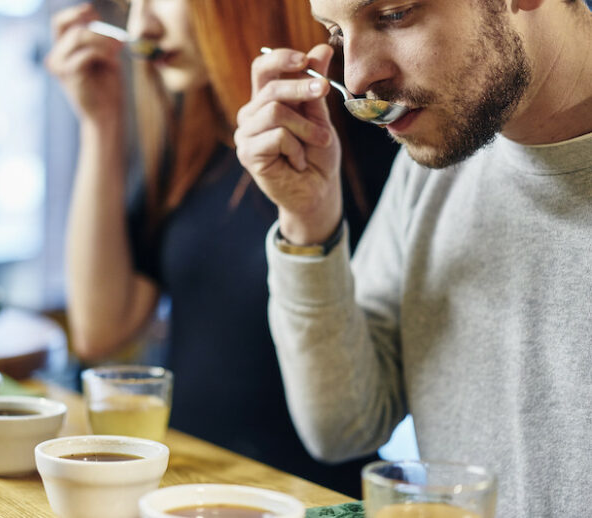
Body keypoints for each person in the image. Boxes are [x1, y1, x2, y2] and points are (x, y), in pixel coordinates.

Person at [234, 0, 592, 516]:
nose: (356, 80)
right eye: (336, 33)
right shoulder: (441, 157)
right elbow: (345, 424)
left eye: (395, 14)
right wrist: (309, 221)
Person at [45, 0, 395, 497]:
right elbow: (100, 329)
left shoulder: (374, 141)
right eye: (131, 5)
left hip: (309, 496)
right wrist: (100, 124)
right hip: (185, 488)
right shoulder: (194, 135)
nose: (140, 26)